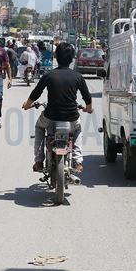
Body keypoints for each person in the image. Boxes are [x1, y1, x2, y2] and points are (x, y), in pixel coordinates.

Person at [22, 42, 93, 173]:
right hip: (72, 117)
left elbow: (36, 93)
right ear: (71, 59)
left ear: (56, 57)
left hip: (51, 116)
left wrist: (27, 105)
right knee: (77, 130)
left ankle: (39, 161)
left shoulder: (49, 75)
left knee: (39, 127)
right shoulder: (78, 76)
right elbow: (87, 97)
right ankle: (77, 161)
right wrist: (88, 108)